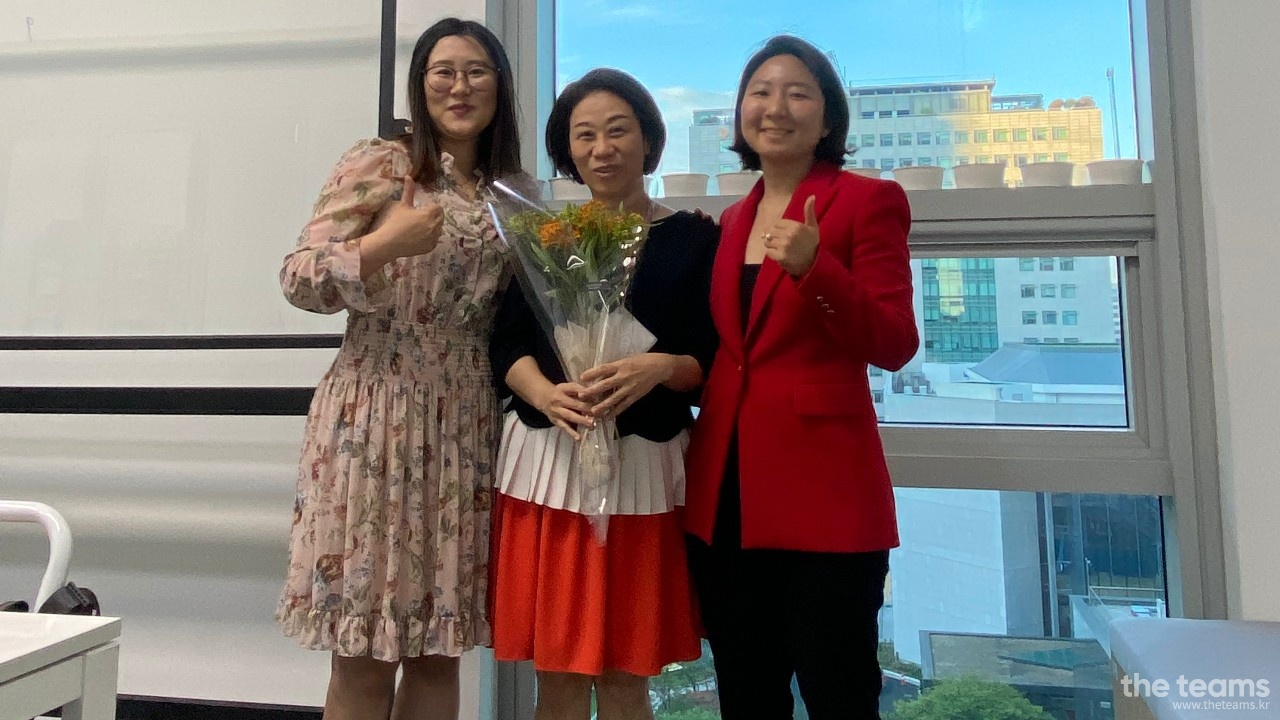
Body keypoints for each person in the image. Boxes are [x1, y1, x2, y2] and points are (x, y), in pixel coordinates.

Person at [275, 17, 522, 720]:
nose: (460, 86)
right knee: (363, 653)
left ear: (499, 86)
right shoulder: (381, 164)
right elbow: (297, 278)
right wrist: (384, 243)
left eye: (476, 71)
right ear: (420, 85)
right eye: (443, 71)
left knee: (440, 651)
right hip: (374, 417)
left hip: (465, 427)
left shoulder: (512, 193)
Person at [682, 35, 919, 720]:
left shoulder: (869, 200)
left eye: (797, 93)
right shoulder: (731, 219)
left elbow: (895, 343)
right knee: (746, 697)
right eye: (760, 92)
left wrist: (817, 269)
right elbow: (731, 353)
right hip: (726, 496)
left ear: (828, 117)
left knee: (840, 695)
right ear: (740, 114)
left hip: (825, 497)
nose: (775, 107)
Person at [488, 68, 715, 720]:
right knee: (557, 677)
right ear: (568, 150)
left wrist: (660, 367)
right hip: (550, 468)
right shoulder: (547, 236)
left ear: (649, 139)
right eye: (584, 135)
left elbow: (714, 360)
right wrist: (545, 394)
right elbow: (505, 344)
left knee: (625, 676)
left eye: (619, 131)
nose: (602, 148)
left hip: (644, 471)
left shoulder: (694, 238)